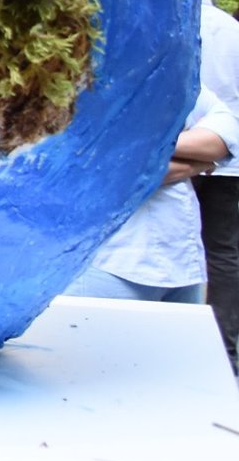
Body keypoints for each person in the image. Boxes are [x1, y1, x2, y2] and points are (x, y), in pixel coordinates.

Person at [64, 81, 238, 303]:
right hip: (107, 263)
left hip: (181, 260)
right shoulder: (82, 81)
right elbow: (110, 171)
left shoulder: (176, 73)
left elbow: (228, 131)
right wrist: (196, 162)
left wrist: (148, 145)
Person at [195, 0, 239, 368]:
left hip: (181, 151)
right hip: (228, 157)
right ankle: (223, 345)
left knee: (181, 239)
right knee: (222, 250)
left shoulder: (174, 25)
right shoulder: (231, 29)